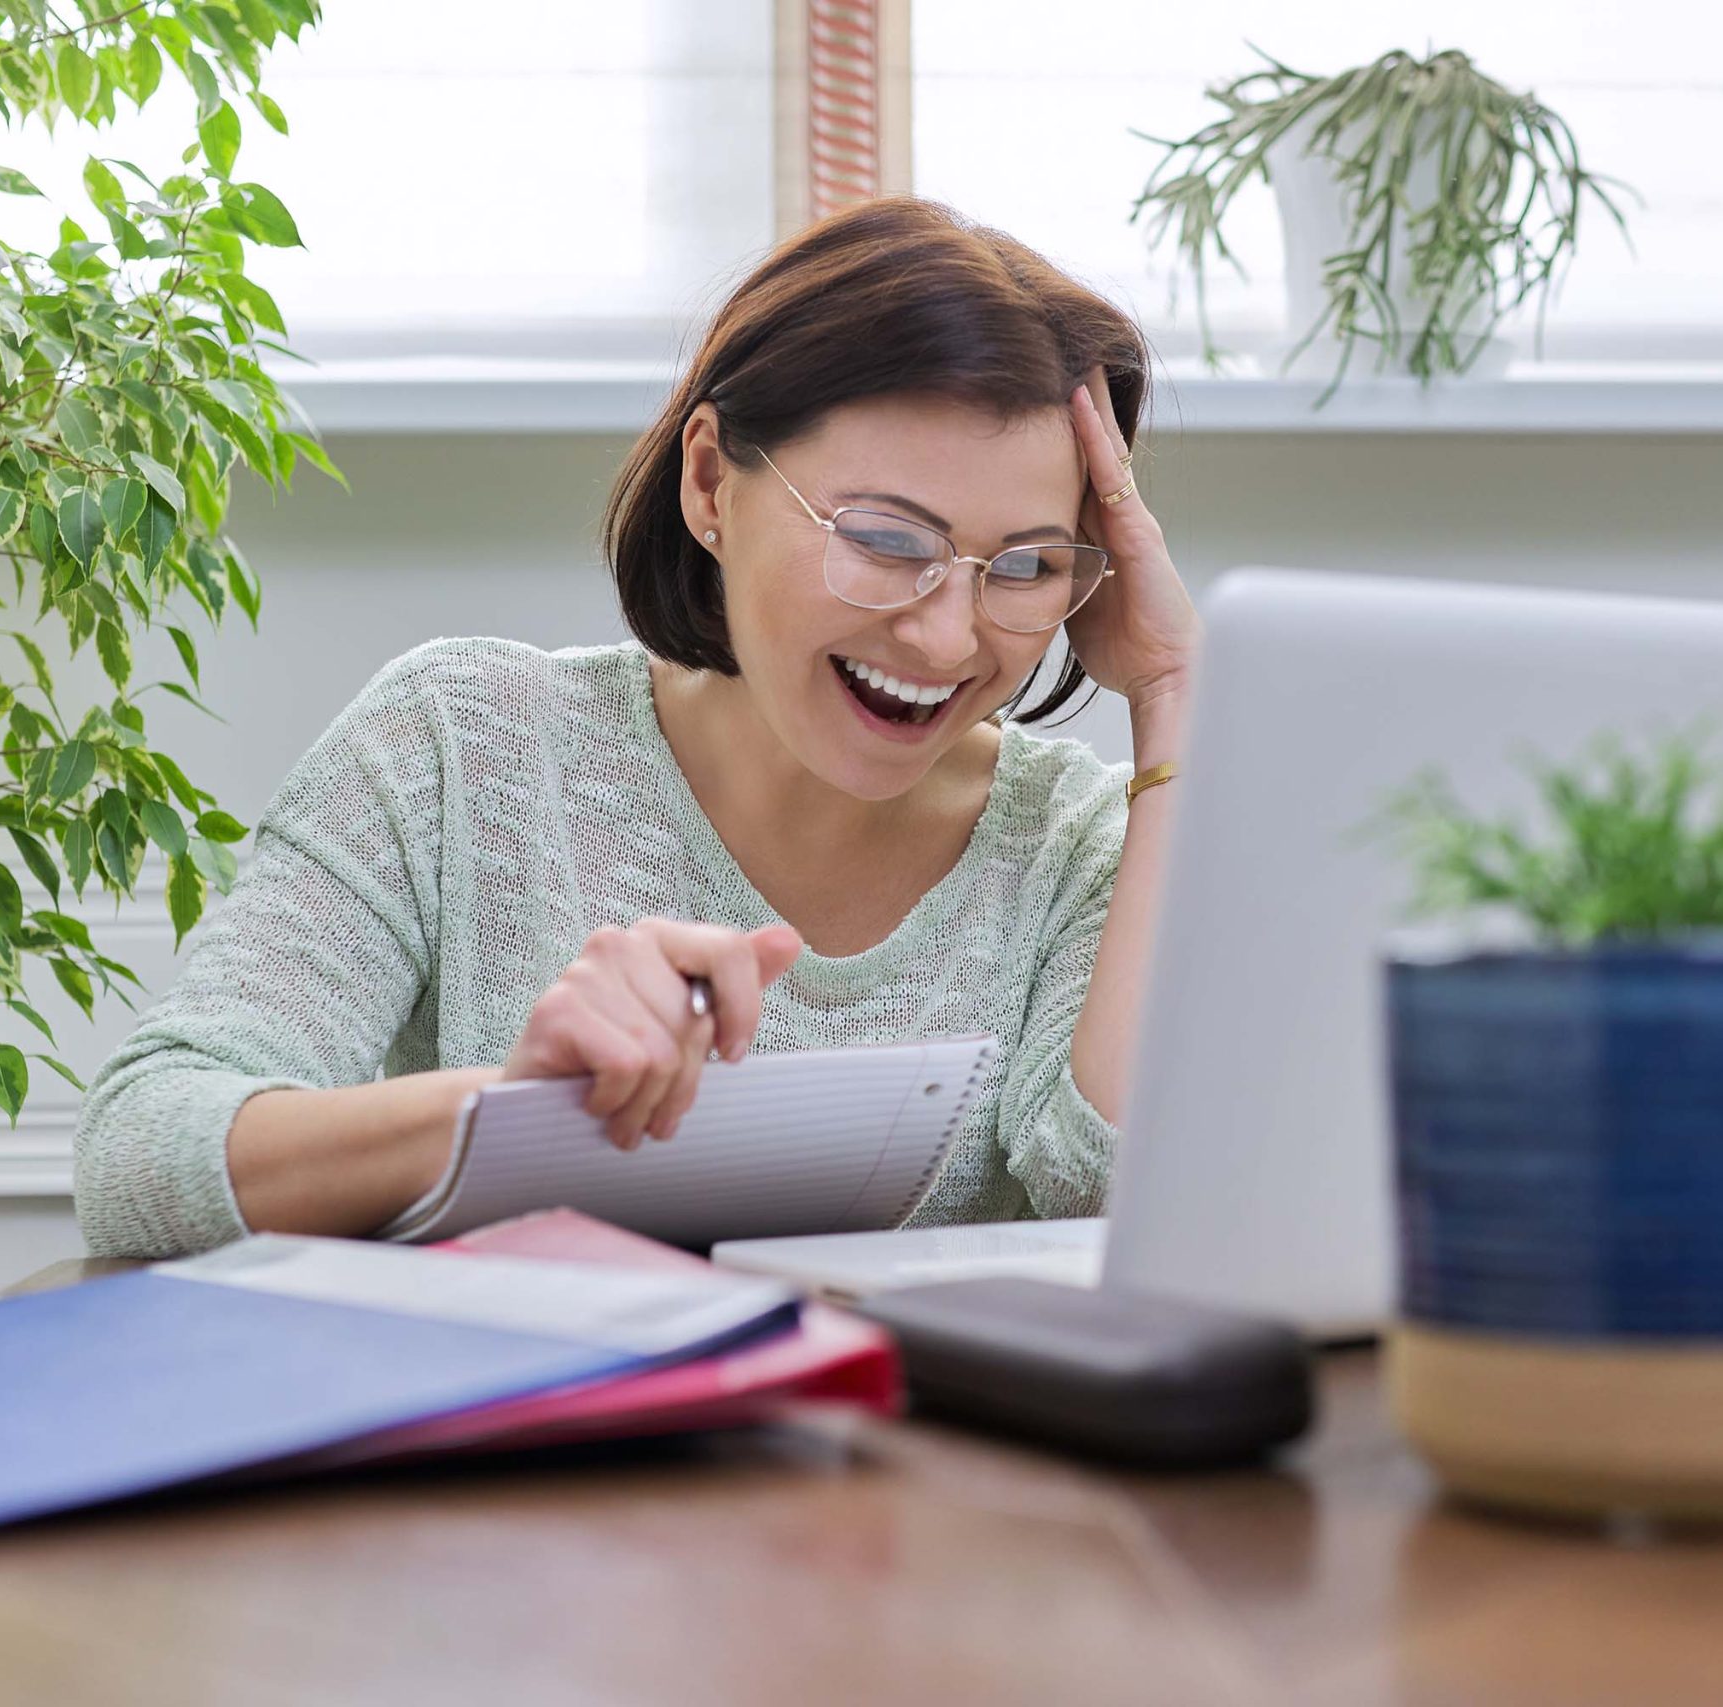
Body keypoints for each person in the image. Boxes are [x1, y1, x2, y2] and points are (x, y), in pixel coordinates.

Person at [70, 197, 1201, 1258]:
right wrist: (507, 1122)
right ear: (710, 483)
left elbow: (1121, 1199)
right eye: (888, 542)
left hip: (896, 1470)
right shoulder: (461, 744)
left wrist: (1174, 699)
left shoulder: (1090, 847)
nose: (949, 639)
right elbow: (143, 1152)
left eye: (1025, 566)